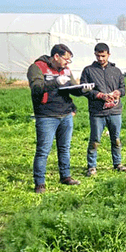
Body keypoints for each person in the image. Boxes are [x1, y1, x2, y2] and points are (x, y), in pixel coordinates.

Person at [27, 43, 89, 193]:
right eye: (66, 59)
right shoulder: (37, 67)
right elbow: (36, 88)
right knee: (43, 150)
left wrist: (82, 90)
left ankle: (65, 176)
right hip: (47, 115)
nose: (68, 63)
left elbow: (73, 88)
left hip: (66, 114)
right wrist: (55, 82)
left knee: (64, 148)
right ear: (56, 56)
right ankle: (40, 183)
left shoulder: (65, 70)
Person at [80, 43, 126, 176]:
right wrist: (99, 95)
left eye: (103, 56)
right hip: (97, 112)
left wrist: (117, 93)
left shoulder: (116, 71)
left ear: (108, 54)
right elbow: (84, 90)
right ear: (94, 54)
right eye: (98, 56)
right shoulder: (88, 71)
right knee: (95, 140)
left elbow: (123, 88)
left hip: (115, 111)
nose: (100, 58)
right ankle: (91, 166)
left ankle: (117, 164)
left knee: (116, 139)